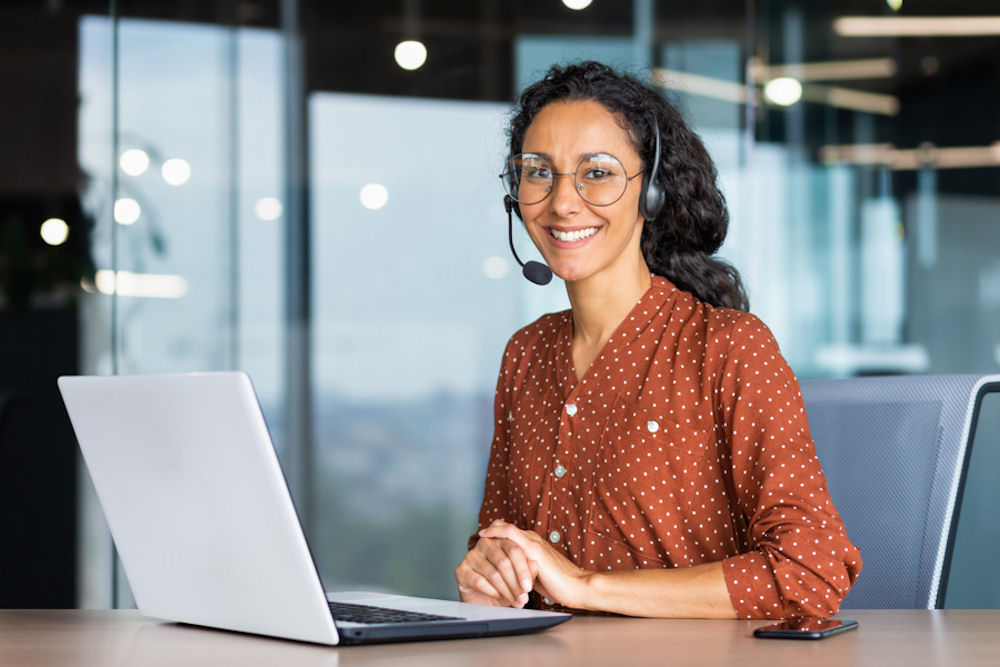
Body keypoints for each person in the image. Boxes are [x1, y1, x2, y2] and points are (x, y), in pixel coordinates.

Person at [453, 61, 861, 619]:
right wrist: (490, 572)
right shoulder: (525, 354)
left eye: (596, 172)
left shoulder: (729, 347)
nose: (562, 203)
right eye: (538, 172)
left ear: (651, 190)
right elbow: (501, 543)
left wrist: (586, 587)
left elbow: (811, 571)